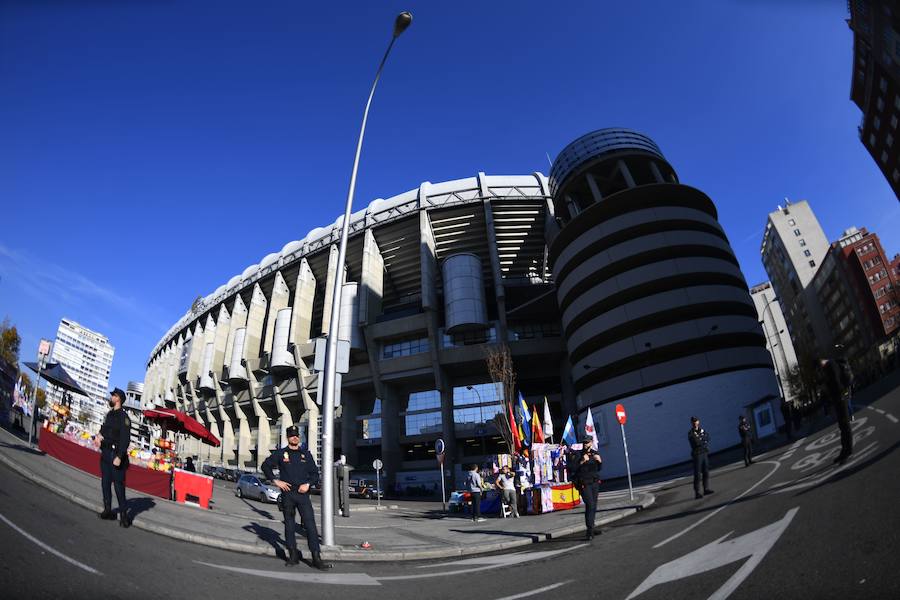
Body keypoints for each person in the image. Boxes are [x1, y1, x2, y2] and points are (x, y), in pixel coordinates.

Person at [261, 425, 331, 570]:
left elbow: (315, 474)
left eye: (296, 435)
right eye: (292, 435)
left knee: (310, 525)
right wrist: (275, 480)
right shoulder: (281, 453)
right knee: (290, 525)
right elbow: (265, 466)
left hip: (303, 494)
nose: (295, 437)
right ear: (287, 437)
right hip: (288, 494)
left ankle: (316, 558)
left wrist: (308, 484)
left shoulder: (305, 454)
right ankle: (293, 555)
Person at [98, 388, 131, 528]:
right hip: (105, 452)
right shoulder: (110, 414)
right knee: (105, 483)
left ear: (118, 399)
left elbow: (125, 439)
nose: (111, 397)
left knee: (118, 486)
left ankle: (124, 516)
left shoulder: (124, 417)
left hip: (115, 454)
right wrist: (99, 436)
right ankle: (108, 510)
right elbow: (105, 429)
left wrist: (119, 456)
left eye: (113, 395)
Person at [821, 358, 853, 464]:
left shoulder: (831, 365)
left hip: (840, 397)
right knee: (843, 424)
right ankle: (845, 450)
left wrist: (836, 396)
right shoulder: (830, 365)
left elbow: (836, 382)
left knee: (844, 424)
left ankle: (847, 451)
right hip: (840, 397)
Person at [573, 435, 602, 541]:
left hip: (594, 482)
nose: (586, 444)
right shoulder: (578, 454)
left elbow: (598, 469)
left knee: (594, 506)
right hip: (584, 483)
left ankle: (592, 527)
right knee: (589, 505)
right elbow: (572, 468)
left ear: (591, 442)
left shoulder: (595, 453)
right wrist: (581, 461)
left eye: (587, 442)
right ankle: (589, 531)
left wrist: (599, 462)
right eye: (584, 442)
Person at [688, 416, 713, 499]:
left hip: (704, 453)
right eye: (693, 421)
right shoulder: (690, 433)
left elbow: (708, 438)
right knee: (697, 474)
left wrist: (702, 439)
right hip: (697, 454)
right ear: (691, 423)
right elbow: (696, 442)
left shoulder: (702, 430)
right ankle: (697, 492)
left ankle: (706, 489)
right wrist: (703, 439)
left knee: (706, 471)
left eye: (696, 421)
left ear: (698, 421)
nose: (695, 423)